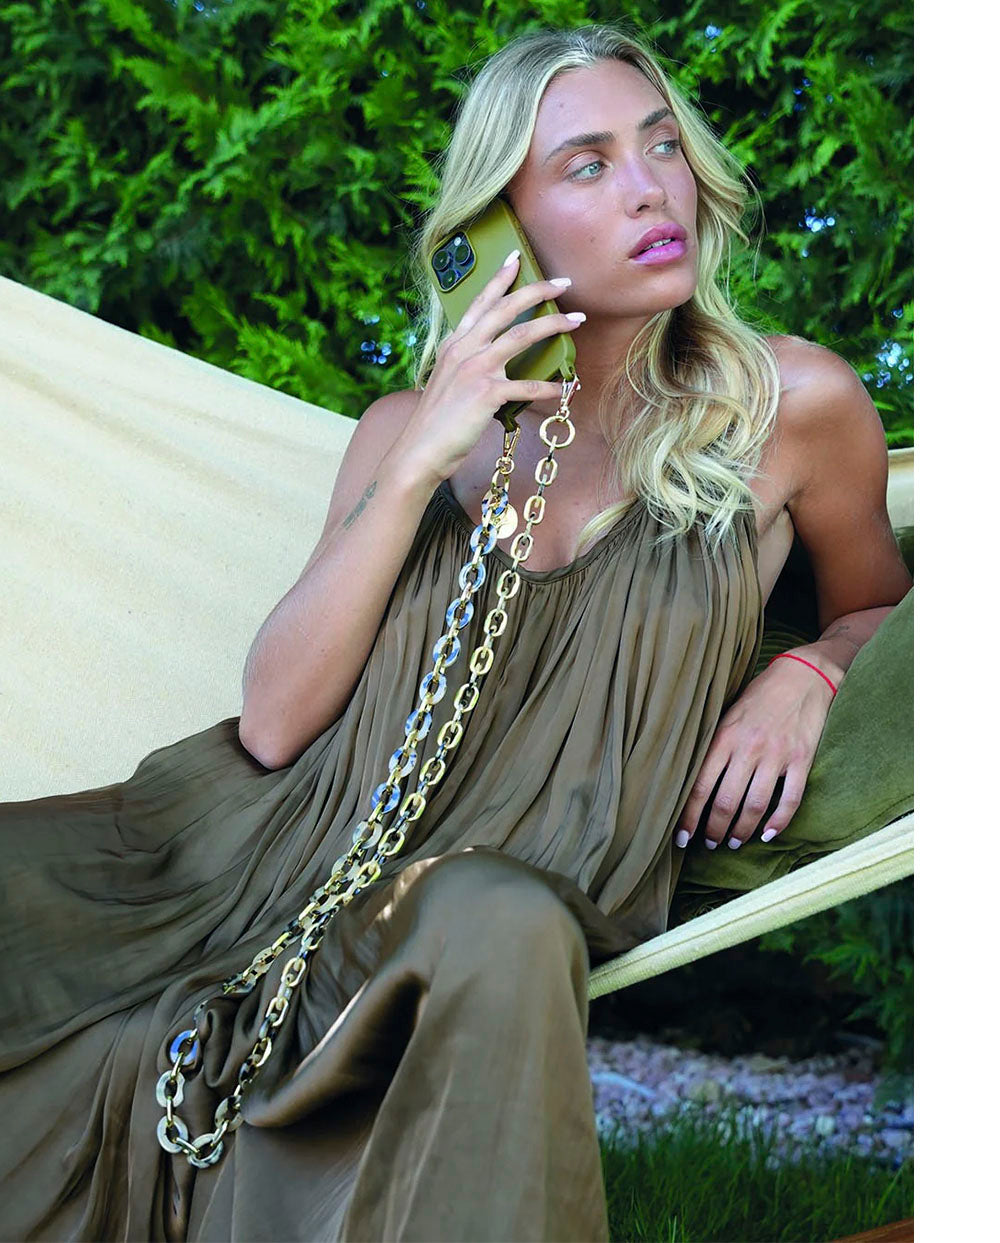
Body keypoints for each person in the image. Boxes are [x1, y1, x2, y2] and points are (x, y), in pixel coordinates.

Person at [0, 23, 912, 1243]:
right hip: (252, 854)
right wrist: (423, 454)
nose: (651, 188)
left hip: (493, 892)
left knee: (494, 913)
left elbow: (880, 604)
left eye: (660, 146)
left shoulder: (791, 407)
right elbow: (273, 726)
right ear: (498, 226)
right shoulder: (410, 431)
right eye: (587, 165)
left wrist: (810, 668)